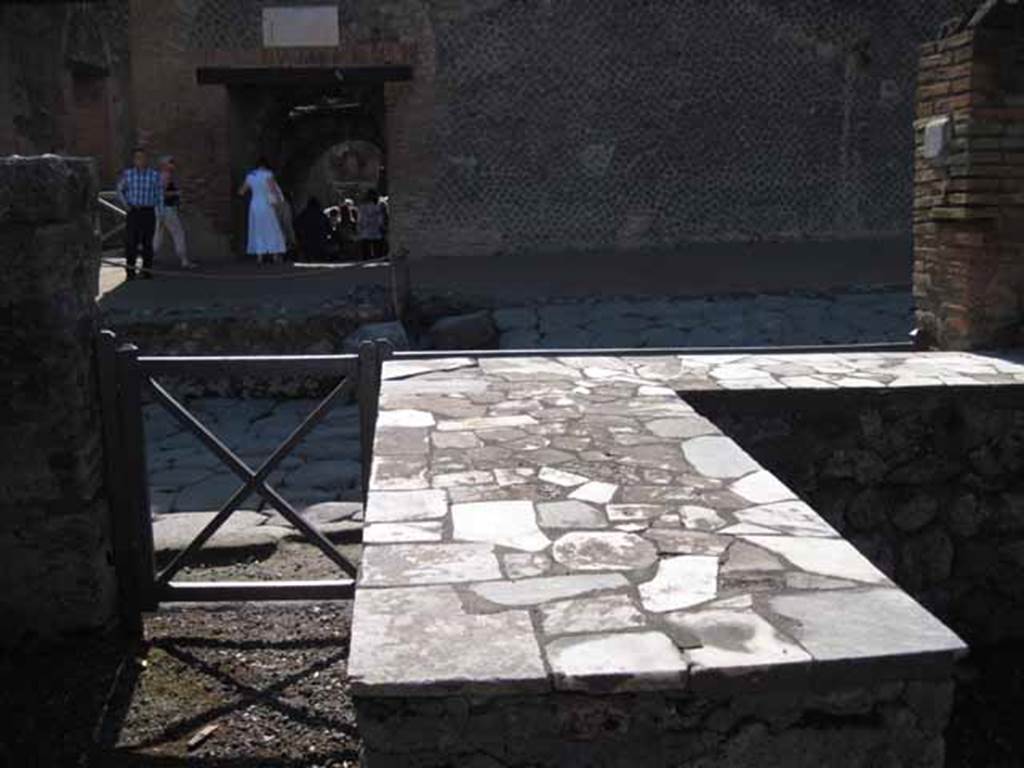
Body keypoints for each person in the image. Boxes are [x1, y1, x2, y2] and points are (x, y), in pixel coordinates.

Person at [116, 147, 163, 279]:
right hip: (134, 212)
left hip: (148, 212)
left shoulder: (154, 175)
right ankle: (130, 272)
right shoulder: (128, 174)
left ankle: (147, 271)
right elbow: (120, 190)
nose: (140, 160)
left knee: (147, 243)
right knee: (131, 242)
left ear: (147, 159)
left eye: (143, 157)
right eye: (137, 158)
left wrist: (161, 212)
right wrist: (126, 205)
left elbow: (159, 195)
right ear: (134, 160)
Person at [237, 157, 286, 265]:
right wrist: (279, 201)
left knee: (257, 229)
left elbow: (241, 191)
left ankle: (260, 256)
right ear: (265, 166)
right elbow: (273, 189)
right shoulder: (268, 174)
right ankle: (274, 255)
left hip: (254, 205)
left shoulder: (250, 176)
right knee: (271, 228)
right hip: (266, 204)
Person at [152, 156, 196, 269]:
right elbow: (162, 194)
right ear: (165, 165)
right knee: (178, 233)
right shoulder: (165, 176)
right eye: (171, 163)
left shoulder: (160, 176)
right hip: (166, 209)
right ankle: (184, 260)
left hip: (159, 209)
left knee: (158, 235)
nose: (173, 165)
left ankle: (149, 258)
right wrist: (177, 193)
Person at [294, 196, 332, 262]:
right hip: (320, 239)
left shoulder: (303, 214)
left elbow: (296, 225)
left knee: (309, 253)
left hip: (307, 239)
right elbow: (328, 227)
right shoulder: (321, 214)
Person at [356, 188, 387, 262]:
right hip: (375, 227)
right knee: (377, 244)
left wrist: (360, 226)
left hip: (366, 227)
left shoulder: (363, 205)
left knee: (366, 244)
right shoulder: (378, 205)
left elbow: (360, 217)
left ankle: (366, 258)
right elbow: (380, 217)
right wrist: (381, 225)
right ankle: (378, 257)